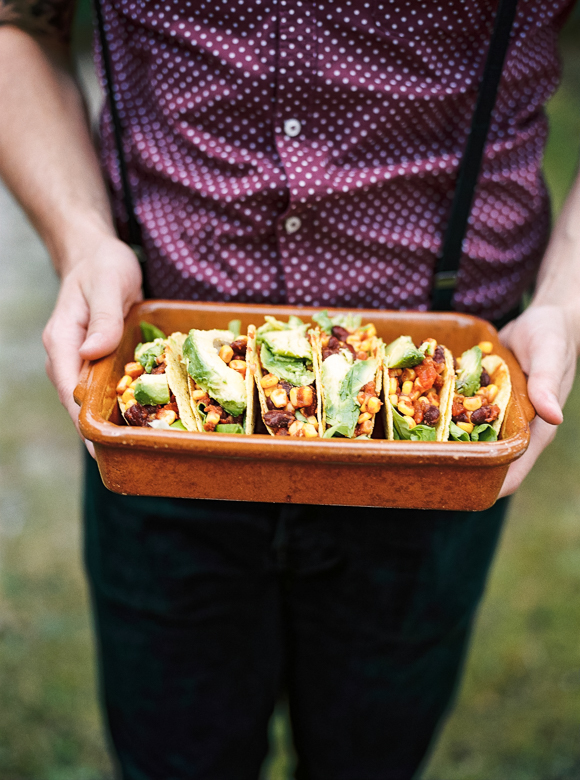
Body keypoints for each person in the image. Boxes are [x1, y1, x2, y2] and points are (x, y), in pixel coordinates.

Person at [1, 0, 579, 777]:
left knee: (371, 760)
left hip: (436, 436)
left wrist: (565, 305)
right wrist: (81, 240)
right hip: (161, 408)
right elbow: (21, 22)